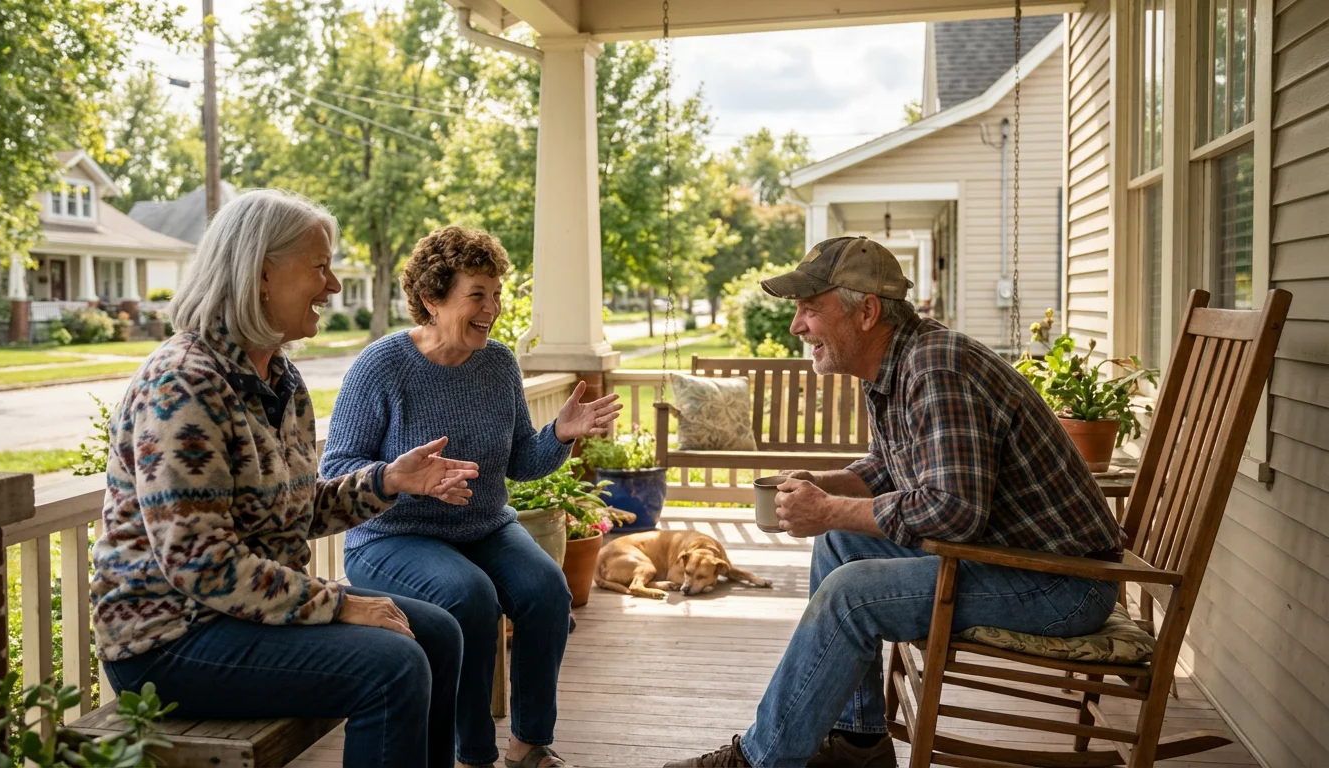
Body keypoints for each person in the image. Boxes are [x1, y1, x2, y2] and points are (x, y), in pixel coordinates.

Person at [665, 237, 1124, 768]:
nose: (796, 326)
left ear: (867, 312)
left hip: (1060, 582)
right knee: (839, 544)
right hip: (1005, 557)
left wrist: (829, 508)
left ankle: (760, 760)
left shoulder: (938, 369)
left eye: (810, 309)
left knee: (850, 594)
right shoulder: (896, 364)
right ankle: (859, 742)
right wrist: (823, 485)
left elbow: (953, 510)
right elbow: (888, 468)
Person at [91, 190, 480, 768]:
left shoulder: (280, 376)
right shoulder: (183, 385)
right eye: (319, 266)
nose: (333, 286)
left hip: (247, 613)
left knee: (439, 633)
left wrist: (389, 482)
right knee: (393, 666)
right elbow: (201, 562)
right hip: (169, 640)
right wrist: (337, 605)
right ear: (262, 273)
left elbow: (294, 508)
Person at [320, 225, 622, 768]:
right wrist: (401, 475)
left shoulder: (498, 363)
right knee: (471, 597)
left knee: (547, 591)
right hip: (393, 537)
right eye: (477, 294)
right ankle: (474, 754)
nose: (493, 307)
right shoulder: (381, 367)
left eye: (497, 293)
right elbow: (336, 469)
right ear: (433, 299)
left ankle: (530, 745)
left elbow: (521, 463)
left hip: (483, 527)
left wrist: (559, 434)